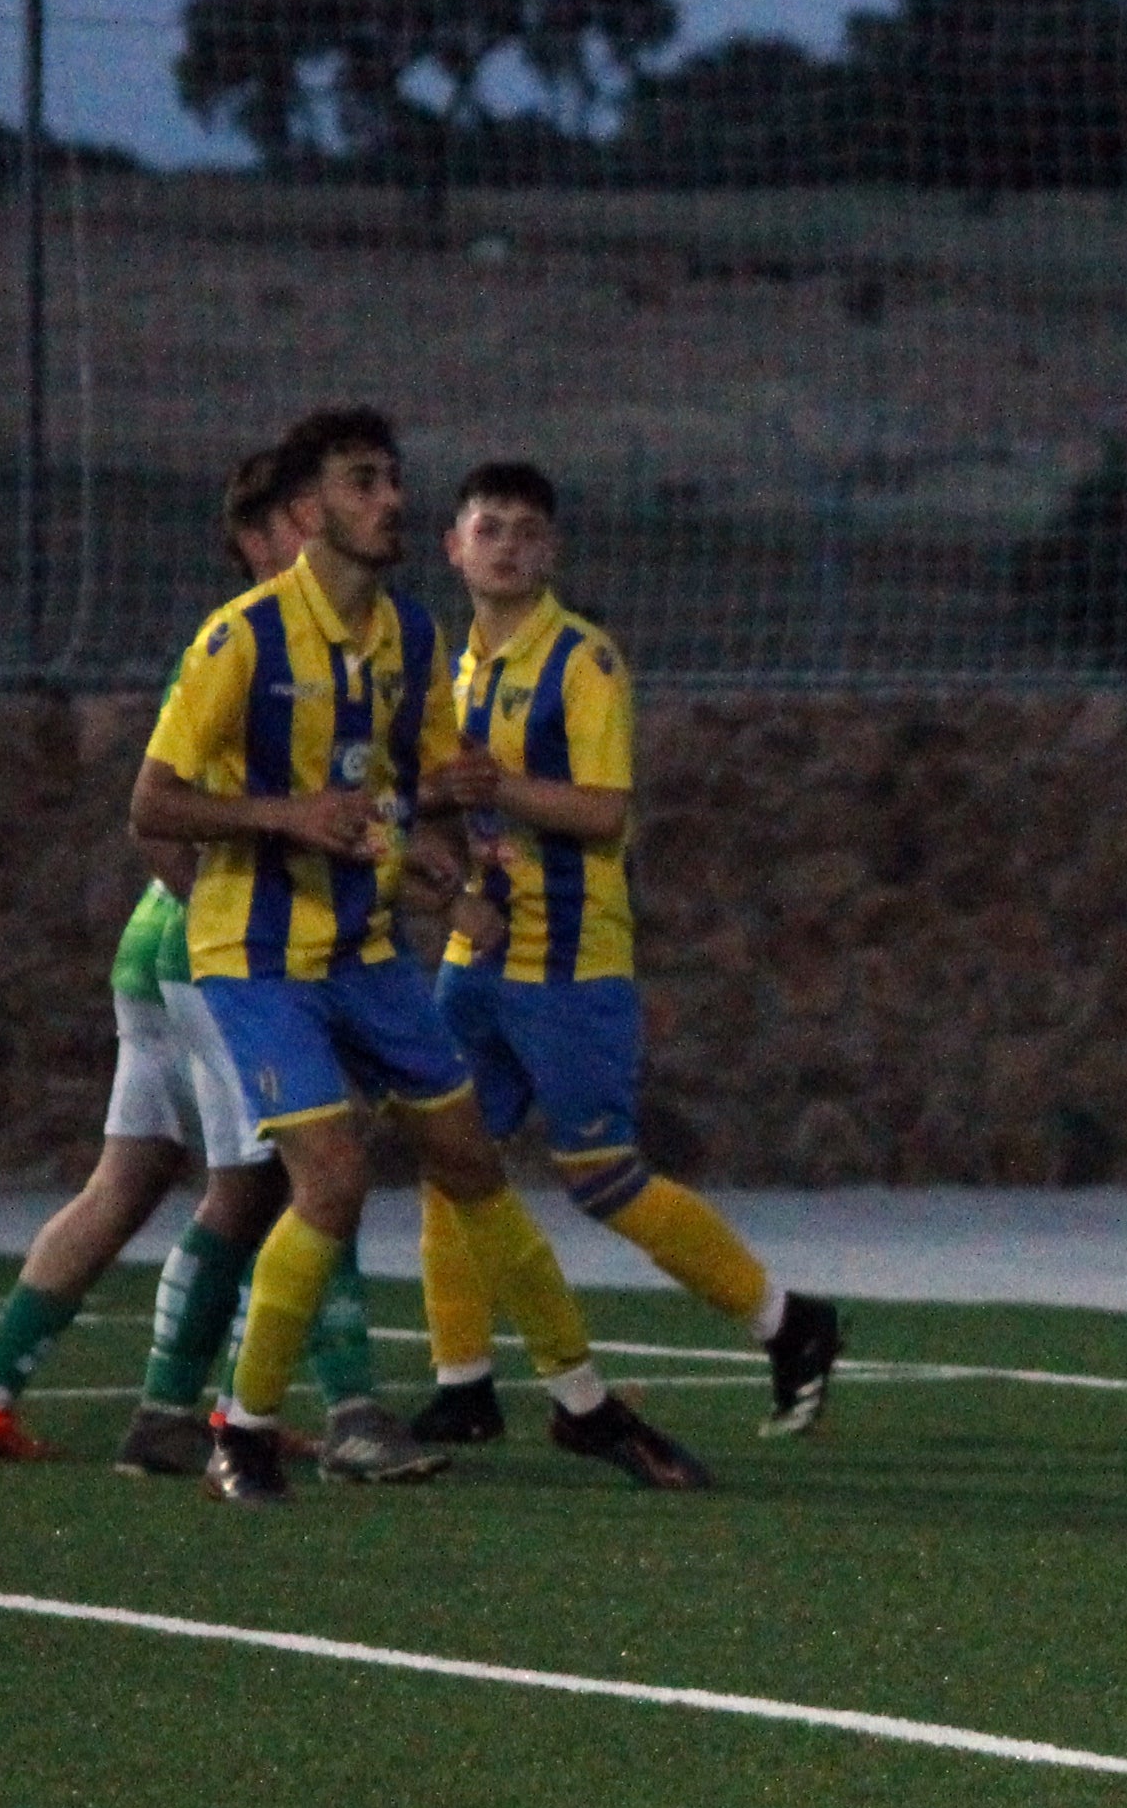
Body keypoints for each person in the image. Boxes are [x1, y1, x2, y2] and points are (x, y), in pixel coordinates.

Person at [131, 406, 700, 1504]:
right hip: (257, 958)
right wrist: (288, 818)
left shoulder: (413, 639)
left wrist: (439, 859)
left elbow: (418, 787)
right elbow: (151, 805)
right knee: (334, 1178)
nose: (391, 499)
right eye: (363, 481)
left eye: (393, 478)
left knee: (473, 1161)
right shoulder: (240, 640)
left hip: (365, 950)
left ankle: (583, 1404)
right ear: (310, 512)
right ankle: (242, 1431)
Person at [0, 450, 426, 1480]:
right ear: (257, 538)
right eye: (300, 518)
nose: (324, 535)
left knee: (142, 1178)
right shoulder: (248, 644)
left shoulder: (330, 649)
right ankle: (347, 1410)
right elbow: (158, 814)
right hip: (213, 960)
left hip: (157, 952)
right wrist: (239, 927)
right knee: (309, 1175)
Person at [411, 461, 843, 1446]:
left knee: (600, 1174)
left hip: (570, 962)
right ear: (454, 547)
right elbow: (453, 801)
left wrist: (496, 787)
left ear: (551, 552)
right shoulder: (454, 670)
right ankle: (463, 1385)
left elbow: (604, 812)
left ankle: (787, 1322)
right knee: (448, 1159)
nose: (508, 546)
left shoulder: (583, 662)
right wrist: (444, 838)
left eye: (527, 531)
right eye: (490, 527)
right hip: (479, 956)